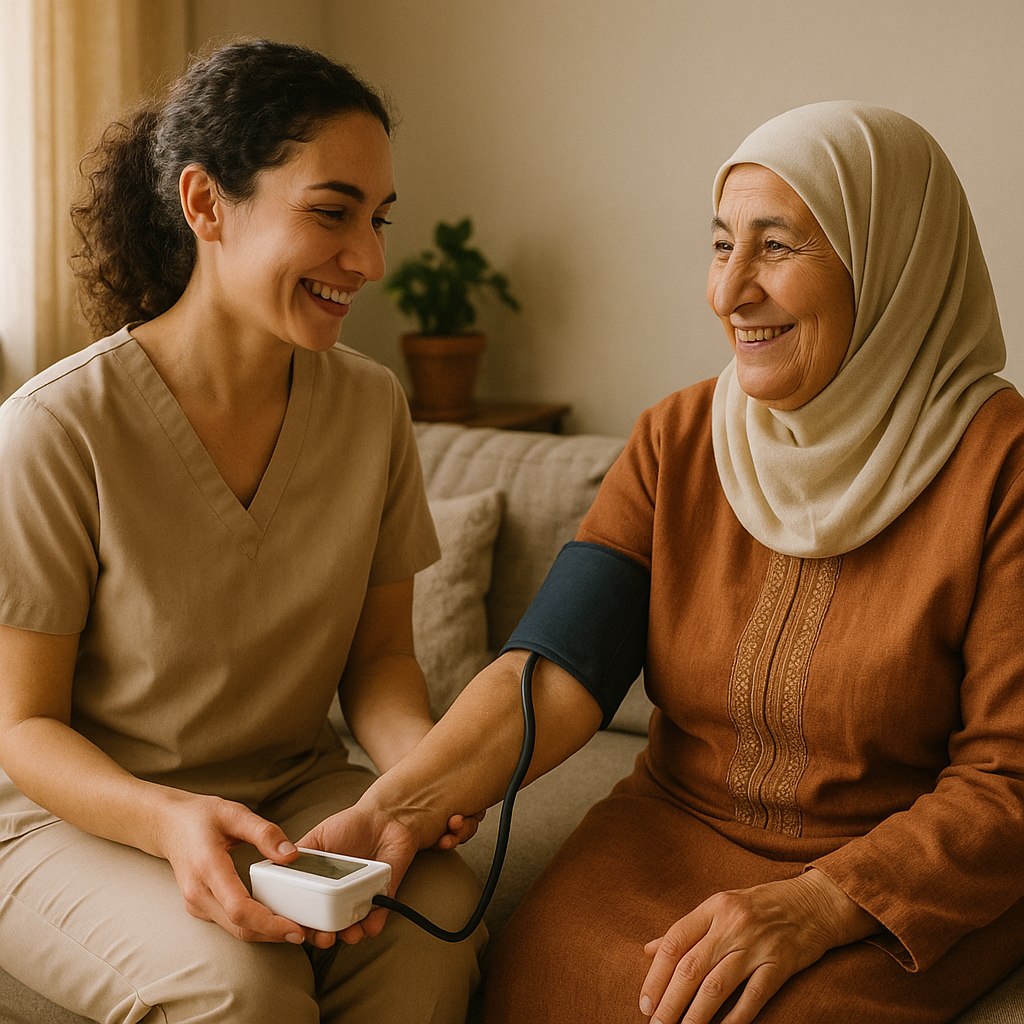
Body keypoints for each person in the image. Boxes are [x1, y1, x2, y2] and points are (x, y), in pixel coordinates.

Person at [300, 101, 1024, 1023]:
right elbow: (554, 669)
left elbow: (1009, 781)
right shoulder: (679, 439)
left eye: (778, 247)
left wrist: (818, 905)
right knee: (536, 970)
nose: (729, 293)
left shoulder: (1003, 467)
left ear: (888, 265)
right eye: (723, 245)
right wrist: (396, 811)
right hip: (674, 833)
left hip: (888, 879)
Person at [0, 39, 485, 1024]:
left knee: (434, 915)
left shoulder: (369, 406)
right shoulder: (58, 427)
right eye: (331, 212)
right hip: (81, 818)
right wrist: (168, 819)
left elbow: (382, 659)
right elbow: (23, 728)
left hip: (293, 790)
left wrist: (421, 777)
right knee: (241, 991)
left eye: (378, 219)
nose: (371, 261)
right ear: (205, 203)